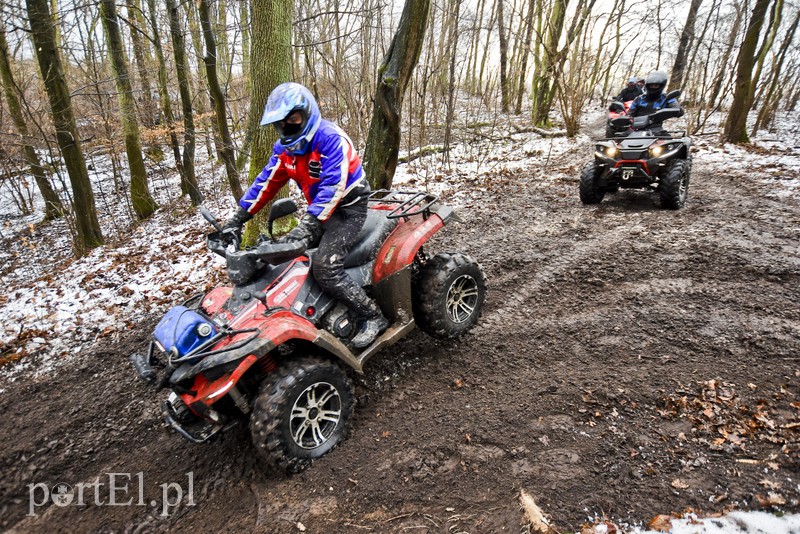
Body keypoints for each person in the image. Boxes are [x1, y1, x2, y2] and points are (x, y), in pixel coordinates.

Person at [222, 82, 387, 349]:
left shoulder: (331, 139)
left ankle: (372, 315)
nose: (287, 128)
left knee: (326, 267)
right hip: (320, 211)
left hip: (348, 209)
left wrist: (309, 224)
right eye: (281, 124)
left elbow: (334, 186)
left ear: (306, 113)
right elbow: (265, 184)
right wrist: (238, 217)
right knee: (284, 260)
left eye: (293, 120)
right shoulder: (285, 150)